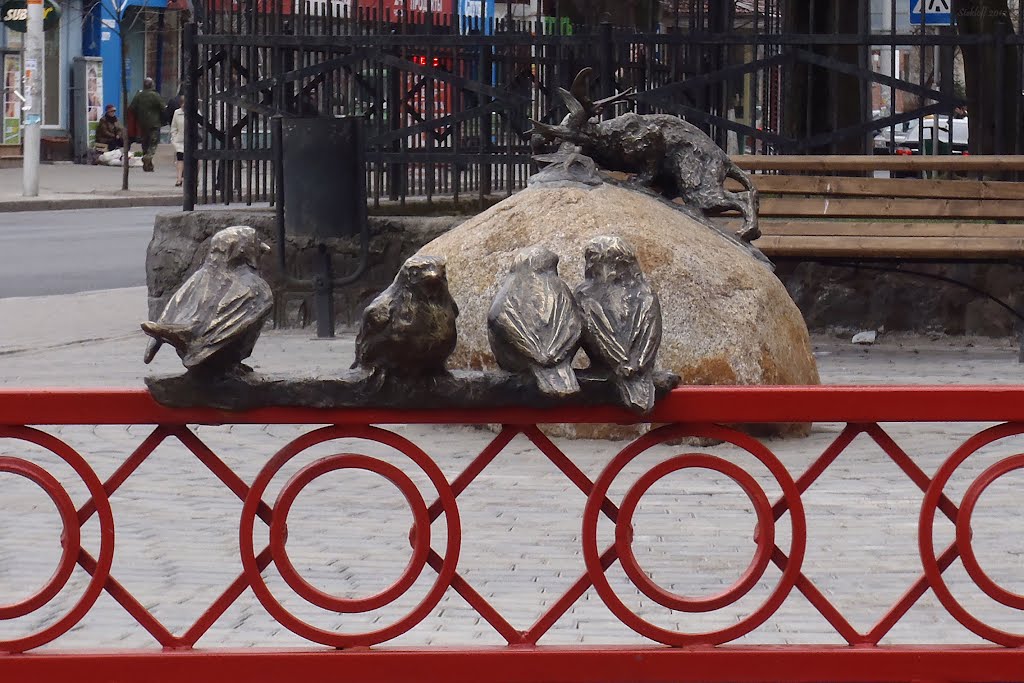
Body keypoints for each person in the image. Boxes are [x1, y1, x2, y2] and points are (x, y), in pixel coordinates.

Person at [128, 77, 165, 172]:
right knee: (153, 143)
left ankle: (148, 166)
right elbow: (163, 108)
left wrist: (139, 115)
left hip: (142, 124)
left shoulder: (139, 96)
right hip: (154, 123)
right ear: (152, 85)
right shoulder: (155, 95)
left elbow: (132, 108)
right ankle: (148, 157)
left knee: (145, 143)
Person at [170, 95, 185, 187]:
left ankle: (193, 178)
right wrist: (174, 138)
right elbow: (173, 127)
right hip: (180, 141)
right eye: (183, 103)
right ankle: (179, 179)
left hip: (193, 141)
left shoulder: (195, 112)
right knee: (180, 159)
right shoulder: (177, 113)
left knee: (194, 161)